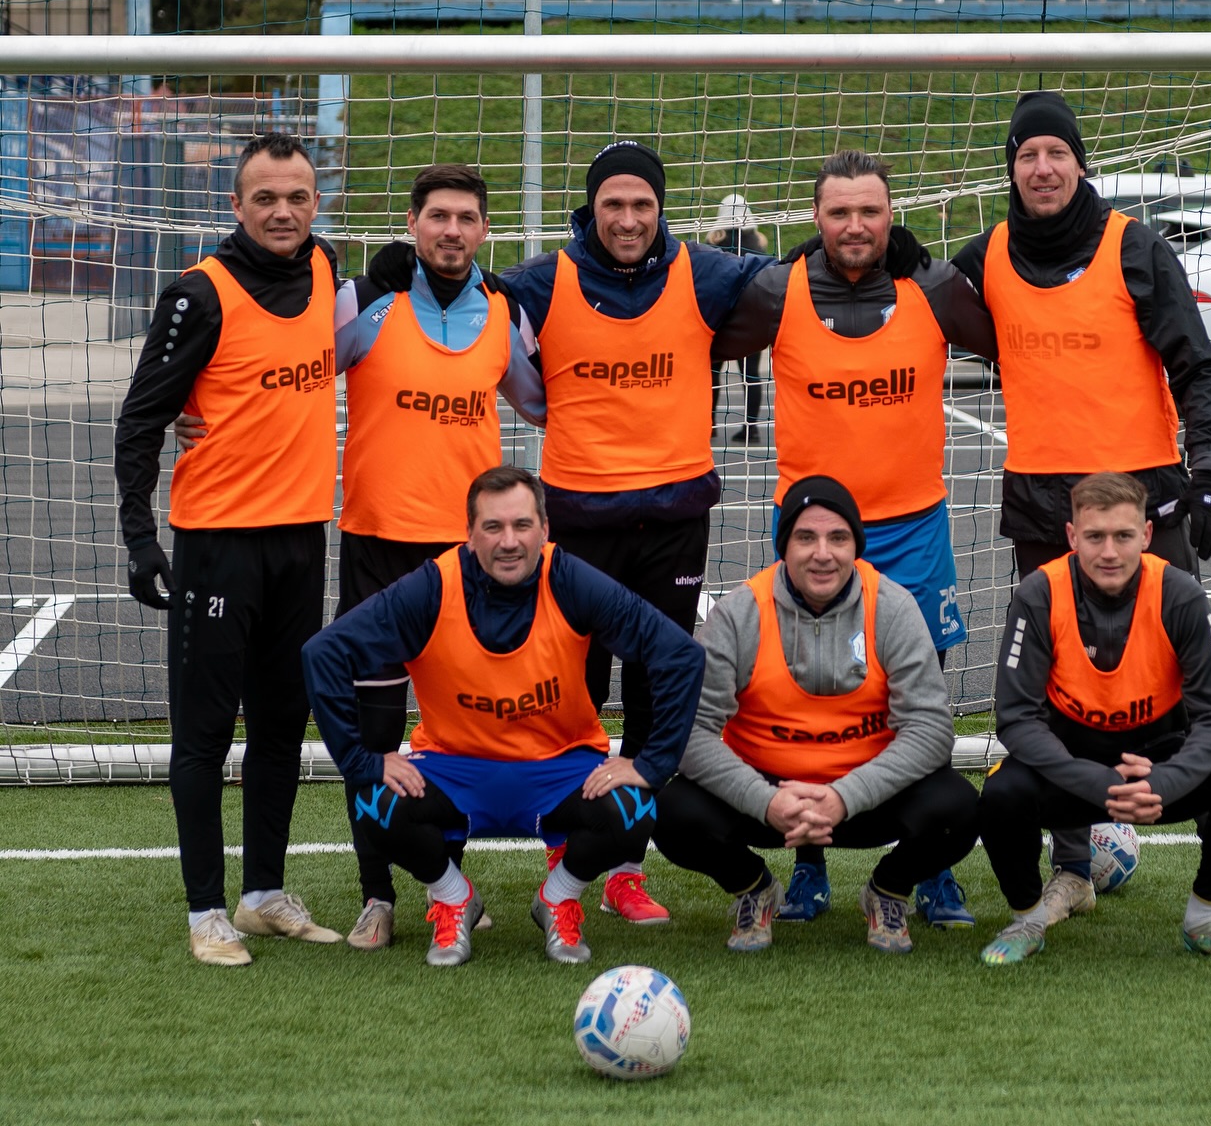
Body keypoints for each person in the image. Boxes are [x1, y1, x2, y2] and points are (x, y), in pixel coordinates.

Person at [366, 140, 772, 924]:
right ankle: (567, 857)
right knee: (573, 696)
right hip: (581, 525)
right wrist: (397, 270)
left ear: (661, 211)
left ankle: (623, 869)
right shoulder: (544, 282)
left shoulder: (705, 274)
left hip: (676, 523)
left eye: (643, 205)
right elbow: (462, 288)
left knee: (656, 697)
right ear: (592, 210)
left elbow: (783, 287)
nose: (628, 219)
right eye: (614, 205)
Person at [174, 164, 547, 951]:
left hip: (467, 567)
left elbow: (544, 402)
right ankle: (378, 895)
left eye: (467, 218)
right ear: (411, 224)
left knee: (458, 734)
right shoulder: (364, 304)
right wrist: (194, 408)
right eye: (437, 216)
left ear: (486, 230)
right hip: (377, 552)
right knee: (372, 739)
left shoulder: (505, 314)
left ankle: (453, 889)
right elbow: (283, 369)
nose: (452, 230)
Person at [949, 91, 1211, 933]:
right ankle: (1072, 868)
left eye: (1056, 152)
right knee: (1054, 695)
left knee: (1184, 688)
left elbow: (1198, 366)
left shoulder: (1136, 249)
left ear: (1080, 163)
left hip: (1141, 498)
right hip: (1042, 501)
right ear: (1009, 169)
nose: (1042, 168)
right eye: (1025, 155)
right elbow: (909, 306)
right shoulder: (987, 256)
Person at [710, 148, 998, 928]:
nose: (856, 225)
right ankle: (809, 862)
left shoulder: (933, 290)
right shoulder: (778, 291)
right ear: (816, 218)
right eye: (839, 212)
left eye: (870, 210)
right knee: (809, 691)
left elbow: (1015, 340)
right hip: (812, 538)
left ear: (891, 212)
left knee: (919, 695)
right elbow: (692, 341)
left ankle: (930, 868)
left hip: (912, 526)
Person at [301, 466, 705, 966]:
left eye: (521, 525)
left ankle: (558, 897)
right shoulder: (432, 587)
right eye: (492, 527)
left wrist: (652, 764)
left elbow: (681, 655)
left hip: (561, 769)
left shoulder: (571, 580)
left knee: (637, 807)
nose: (508, 541)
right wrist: (361, 761)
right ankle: (454, 897)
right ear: (469, 534)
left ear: (544, 529)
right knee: (372, 802)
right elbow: (324, 654)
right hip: (454, 768)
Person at [114, 133, 342, 966]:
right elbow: (142, 419)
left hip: (299, 540)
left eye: (298, 197)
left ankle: (262, 895)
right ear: (236, 206)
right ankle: (205, 910)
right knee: (205, 732)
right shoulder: (197, 295)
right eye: (265, 198)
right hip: (216, 546)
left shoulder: (328, 274)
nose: (283, 212)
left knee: (284, 722)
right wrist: (142, 537)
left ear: (317, 204)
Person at [653, 476, 981, 954]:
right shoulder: (739, 613)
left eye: (838, 538)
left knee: (958, 809)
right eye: (806, 537)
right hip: (769, 797)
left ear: (856, 546)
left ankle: (887, 890)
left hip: (866, 798)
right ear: (783, 544)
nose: (822, 553)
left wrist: (843, 798)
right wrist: (765, 802)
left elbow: (931, 731)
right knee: (673, 813)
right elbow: (691, 734)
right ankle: (754, 888)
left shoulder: (892, 605)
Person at [977, 472, 1211, 966]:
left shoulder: (1179, 594)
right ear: (1072, 537)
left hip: (1157, 763)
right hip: (1072, 770)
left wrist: (1164, 781)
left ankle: (1203, 920)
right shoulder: (1039, 594)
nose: (1109, 551)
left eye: (1122, 536)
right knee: (1001, 795)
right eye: (1094, 536)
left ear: (1147, 536)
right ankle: (1027, 920)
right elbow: (1017, 718)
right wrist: (1098, 784)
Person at [705, 193, 771, 445]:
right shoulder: (758, 243)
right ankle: (750, 427)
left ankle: (708, 423)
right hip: (751, 316)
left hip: (719, 316)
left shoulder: (714, 242)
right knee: (750, 374)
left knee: (712, 373)